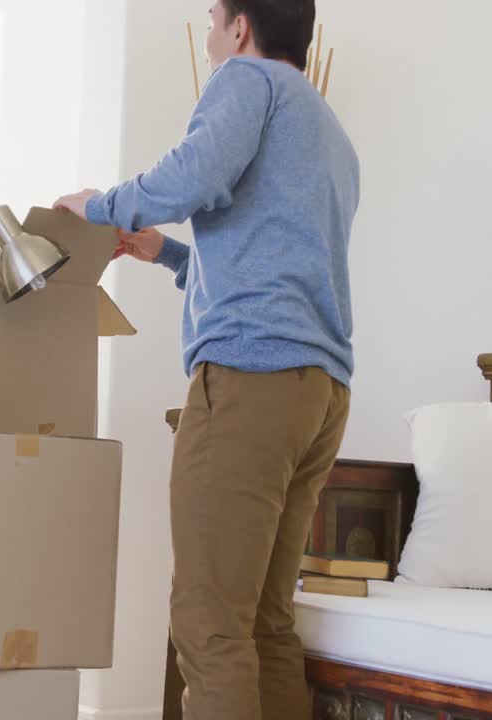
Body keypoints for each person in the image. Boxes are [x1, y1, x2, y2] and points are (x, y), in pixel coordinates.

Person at [53, 2, 359, 719]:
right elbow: (272, 264)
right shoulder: (329, 130)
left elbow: (191, 174)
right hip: (319, 389)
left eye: (216, 20)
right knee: (266, 622)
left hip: (251, 381)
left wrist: (104, 206)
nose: (215, 36)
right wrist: (165, 253)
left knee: (210, 622)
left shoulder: (243, 80)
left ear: (241, 28)